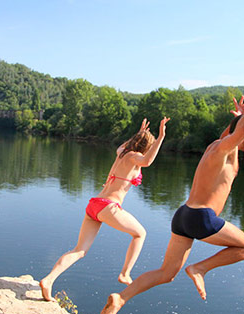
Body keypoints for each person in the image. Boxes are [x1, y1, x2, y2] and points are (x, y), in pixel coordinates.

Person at [100, 75, 244, 314]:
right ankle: (200, 269)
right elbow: (242, 131)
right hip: (202, 217)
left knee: (166, 273)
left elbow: (238, 130)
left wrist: (239, 115)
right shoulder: (222, 149)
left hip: (183, 216)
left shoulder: (220, 147)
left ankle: (120, 299)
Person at [39, 117, 171, 302]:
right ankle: (125, 273)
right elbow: (148, 161)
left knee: (79, 250)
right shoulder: (133, 158)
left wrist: (140, 132)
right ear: (146, 147)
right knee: (140, 234)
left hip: (94, 205)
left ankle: (48, 280)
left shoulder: (121, 153)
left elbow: (126, 146)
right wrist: (161, 137)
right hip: (109, 206)